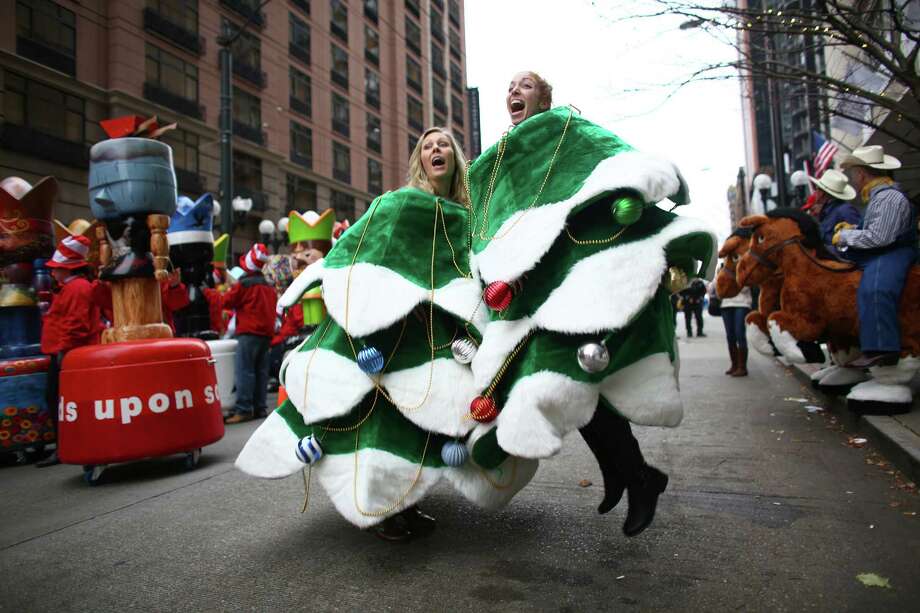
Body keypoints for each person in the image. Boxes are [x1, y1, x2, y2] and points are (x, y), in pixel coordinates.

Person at [236, 128, 536, 542]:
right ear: (419, 159)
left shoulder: (469, 216)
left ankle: (406, 504)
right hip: (391, 334)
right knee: (381, 419)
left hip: (439, 334)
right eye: (428, 146)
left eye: (443, 144)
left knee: (425, 422)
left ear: (455, 157)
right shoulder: (399, 203)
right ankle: (383, 510)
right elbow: (356, 246)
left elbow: (480, 262)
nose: (436, 149)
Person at [467, 71, 716, 537]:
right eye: (510, 87)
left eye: (525, 85)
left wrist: (638, 189)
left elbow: (617, 158)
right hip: (530, 291)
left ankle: (636, 475)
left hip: (580, 279)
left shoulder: (568, 130)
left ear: (545, 96)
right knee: (571, 386)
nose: (513, 92)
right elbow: (486, 213)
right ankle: (629, 474)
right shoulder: (502, 156)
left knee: (573, 378)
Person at [834, 145, 918, 368]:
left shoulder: (888, 197)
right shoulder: (879, 196)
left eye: (853, 174)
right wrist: (853, 229)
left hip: (893, 252)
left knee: (876, 287)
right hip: (885, 249)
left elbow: (880, 237)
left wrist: (846, 236)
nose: (852, 179)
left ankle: (883, 348)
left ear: (861, 174)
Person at [36, 235, 105, 467]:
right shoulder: (74, 287)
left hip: (70, 354)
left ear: (67, 269)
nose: (53, 273)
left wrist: (63, 351)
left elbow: (75, 324)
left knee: (60, 401)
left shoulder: (76, 288)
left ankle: (65, 447)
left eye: (56, 269)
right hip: (68, 352)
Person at [223, 244, 278, 424]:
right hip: (266, 334)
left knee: (245, 371)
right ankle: (259, 407)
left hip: (248, 332)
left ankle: (244, 409)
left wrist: (211, 294)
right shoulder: (268, 285)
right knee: (261, 371)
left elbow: (227, 301)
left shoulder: (244, 283)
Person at [718, 229, 754, 376]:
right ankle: (734, 365)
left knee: (740, 334)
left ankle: (742, 367)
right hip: (726, 303)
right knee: (730, 336)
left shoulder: (747, 259)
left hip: (742, 302)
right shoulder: (726, 263)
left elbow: (748, 283)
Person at [805, 169, 862, 255]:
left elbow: (856, 243)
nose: (815, 192)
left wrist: (823, 251)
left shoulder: (845, 211)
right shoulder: (828, 211)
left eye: (817, 189)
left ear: (822, 193)